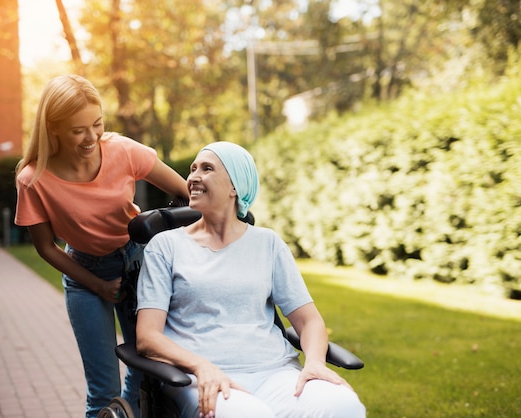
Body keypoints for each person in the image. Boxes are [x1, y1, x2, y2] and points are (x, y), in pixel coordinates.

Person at [135, 141, 366, 418]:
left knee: (344, 406)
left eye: (207, 169)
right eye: (193, 169)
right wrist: (200, 366)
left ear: (235, 187)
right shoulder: (165, 246)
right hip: (204, 377)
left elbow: (309, 321)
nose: (193, 177)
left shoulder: (268, 243)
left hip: (276, 373)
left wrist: (315, 362)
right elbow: (147, 337)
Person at [14, 74, 189, 418]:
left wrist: (166, 238)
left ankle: (126, 412)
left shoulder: (122, 150)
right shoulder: (33, 179)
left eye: (97, 124)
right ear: (53, 129)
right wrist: (96, 284)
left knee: (146, 373)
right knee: (102, 390)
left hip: (137, 266)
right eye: (78, 130)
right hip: (84, 276)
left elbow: (185, 192)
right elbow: (46, 247)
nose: (91, 136)